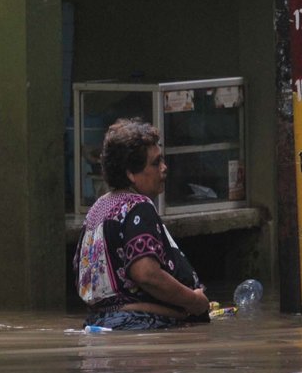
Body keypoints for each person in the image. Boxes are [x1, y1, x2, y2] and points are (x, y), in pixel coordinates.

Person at [73, 117, 210, 330]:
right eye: (155, 163)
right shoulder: (138, 206)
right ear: (131, 174)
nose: (164, 168)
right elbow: (146, 274)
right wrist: (194, 300)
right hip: (141, 326)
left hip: (99, 323)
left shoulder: (97, 210)